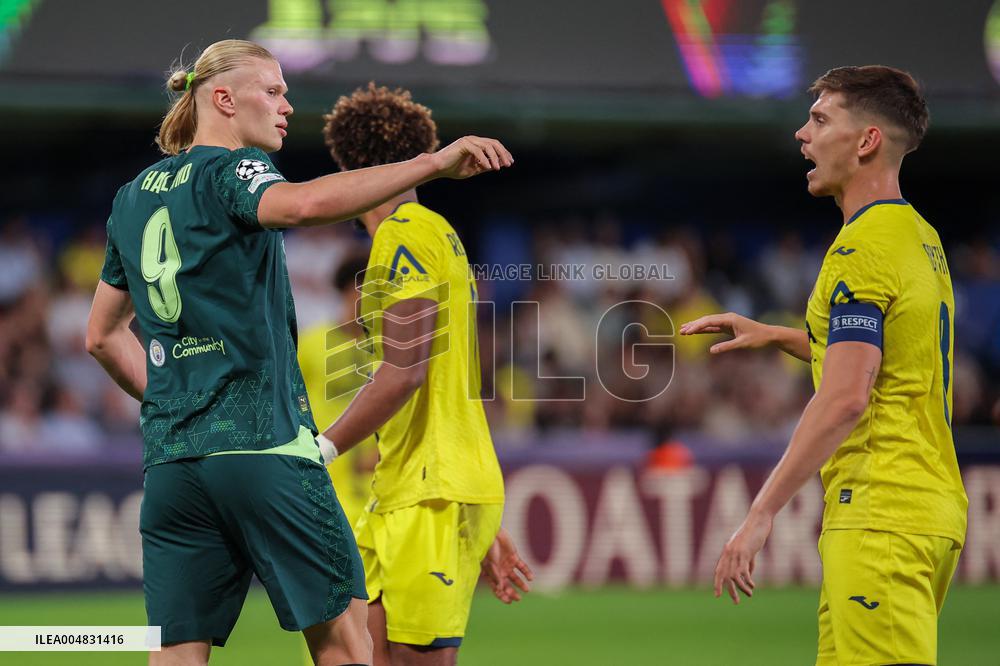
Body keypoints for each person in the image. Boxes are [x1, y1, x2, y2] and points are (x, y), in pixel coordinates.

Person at [85, 39, 512, 666]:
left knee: (174, 653)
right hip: (265, 449)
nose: (288, 105)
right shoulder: (236, 170)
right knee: (345, 641)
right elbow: (305, 205)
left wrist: (183, 405)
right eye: (275, 90)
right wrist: (431, 165)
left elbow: (99, 336)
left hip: (173, 466)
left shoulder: (131, 196)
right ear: (223, 99)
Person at [682, 66, 968, 666]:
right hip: (922, 505)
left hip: (881, 513)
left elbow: (845, 398)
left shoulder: (860, 250)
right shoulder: (917, 236)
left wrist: (760, 515)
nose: (801, 134)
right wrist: (782, 335)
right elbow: (885, 359)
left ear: (866, 142)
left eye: (819, 120)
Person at [316, 83, 532, 666]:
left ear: (349, 168)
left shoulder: (403, 235)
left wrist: (322, 448)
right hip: (407, 487)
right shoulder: (437, 233)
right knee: (355, 650)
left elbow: (404, 372)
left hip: (430, 491)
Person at [298, 253, 379, 530]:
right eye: (360, 287)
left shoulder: (390, 352)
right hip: (325, 481)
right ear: (346, 290)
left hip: (375, 485)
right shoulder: (311, 343)